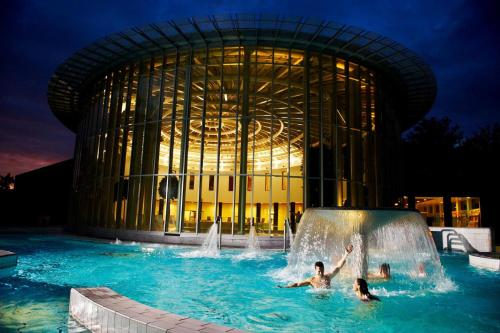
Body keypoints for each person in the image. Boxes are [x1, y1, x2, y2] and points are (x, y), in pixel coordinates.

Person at [278, 244, 353, 289]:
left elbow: (338, 267)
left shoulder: (328, 277)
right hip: (316, 299)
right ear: (315, 270)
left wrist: (346, 254)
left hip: (328, 300)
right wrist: (286, 287)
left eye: (322, 270)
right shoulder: (311, 280)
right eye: (319, 271)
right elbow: (298, 284)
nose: (320, 272)